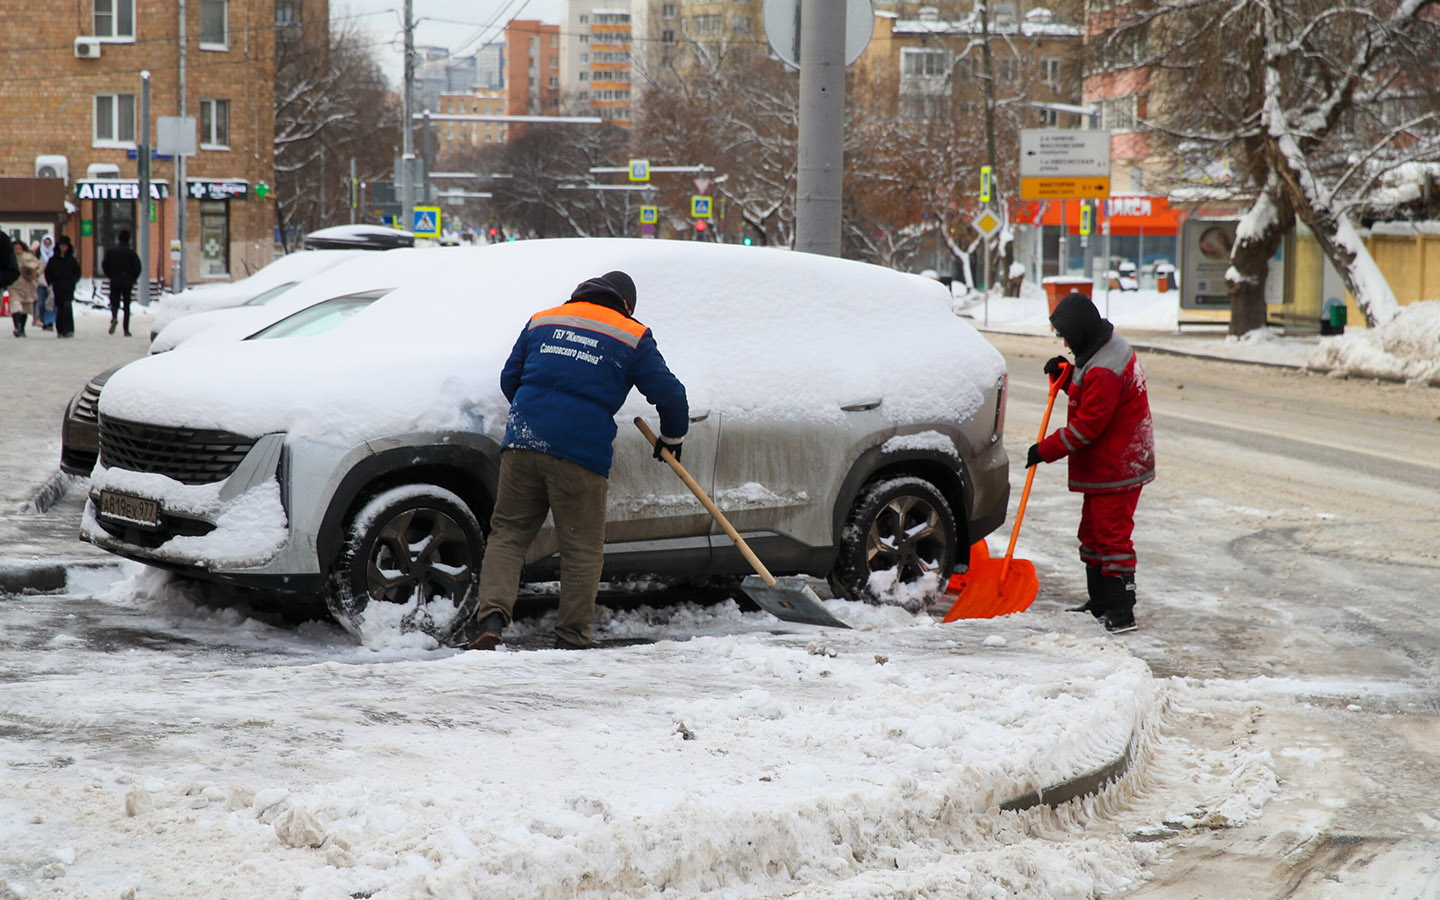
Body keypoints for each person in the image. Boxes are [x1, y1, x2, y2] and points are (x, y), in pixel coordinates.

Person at [468, 270, 689, 651]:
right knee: (581, 547)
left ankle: (491, 621)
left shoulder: (544, 319)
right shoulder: (631, 334)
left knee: (508, 533)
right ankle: (571, 636)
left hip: (523, 440)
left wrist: (536, 414)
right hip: (580, 451)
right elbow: (670, 394)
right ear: (626, 305)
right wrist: (671, 437)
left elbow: (510, 379)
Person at [1027, 291, 1155, 634]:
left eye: (1067, 336)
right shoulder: (1101, 349)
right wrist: (1068, 377)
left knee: (1112, 538)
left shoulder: (1104, 368)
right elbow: (1093, 396)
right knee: (1092, 533)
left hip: (1118, 464)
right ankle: (1099, 602)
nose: (1066, 344)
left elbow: (1087, 427)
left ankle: (1121, 610)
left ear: (1081, 332)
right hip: (1109, 461)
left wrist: (1045, 449)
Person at [101, 229, 143, 336]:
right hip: (127, 282)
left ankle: (114, 317)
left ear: (118, 239)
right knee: (126, 305)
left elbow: (105, 265)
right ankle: (126, 329)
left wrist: (111, 275)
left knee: (115, 302)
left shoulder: (111, 252)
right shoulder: (131, 253)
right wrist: (133, 278)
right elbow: (138, 267)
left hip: (115, 281)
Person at [44, 235, 81, 339]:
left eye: (65, 246)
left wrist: (72, 282)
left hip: (68, 287)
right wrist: (50, 283)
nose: (63, 248)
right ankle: (60, 330)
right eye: (61, 245)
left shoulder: (72, 260)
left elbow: (77, 273)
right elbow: (48, 272)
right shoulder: (53, 260)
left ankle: (69, 329)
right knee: (60, 308)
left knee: (67, 307)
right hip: (57, 287)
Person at [10, 240, 41, 337]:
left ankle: (22, 328)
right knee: (16, 306)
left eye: (19, 248)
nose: (17, 251)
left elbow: (39, 266)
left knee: (25, 308)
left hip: (27, 286)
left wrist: (36, 273)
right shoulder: (8, 259)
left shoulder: (29, 257)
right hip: (14, 286)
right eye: (15, 249)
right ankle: (17, 327)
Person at [35, 236, 56, 330]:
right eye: (46, 243)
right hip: (41, 282)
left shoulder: (54, 255)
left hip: (52, 282)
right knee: (41, 303)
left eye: (49, 243)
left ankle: (50, 322)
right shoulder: (39, 254)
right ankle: (43, 320)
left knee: (51, 303)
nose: (47, 245)